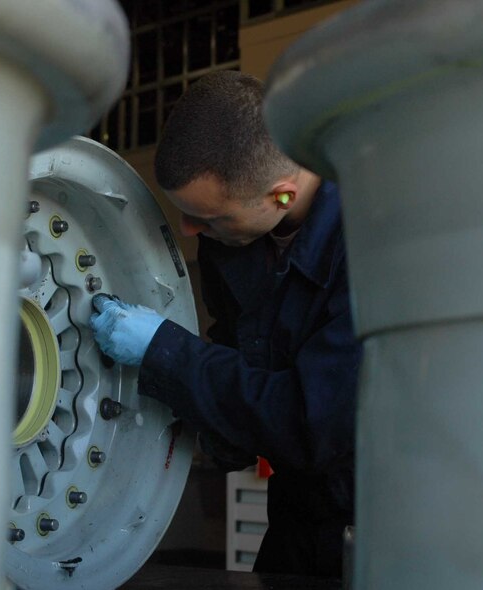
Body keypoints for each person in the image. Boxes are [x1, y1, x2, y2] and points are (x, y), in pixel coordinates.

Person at [90, 70, 361, 579]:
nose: (192, 232)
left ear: (281, 195)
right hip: (295, 514)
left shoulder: (368, 245)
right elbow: (239, 369)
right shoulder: (235, 242)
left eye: (209, 220)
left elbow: (312, 424)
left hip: (372, 525)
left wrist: (166, 353)